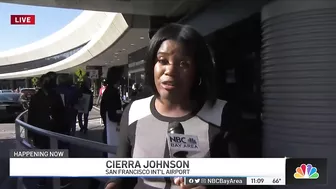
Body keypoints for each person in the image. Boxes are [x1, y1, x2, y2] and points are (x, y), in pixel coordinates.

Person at [104, 23, 244, 189]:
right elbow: (122, 174)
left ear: (198, 70)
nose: (170, 70)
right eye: (162, 60)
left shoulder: (223, 115)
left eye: (183, 63)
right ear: (152, 66)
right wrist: (112, 184)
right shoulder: (134, 111)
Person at [27, 74, 68, 188]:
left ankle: (60, 179)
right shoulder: (36, 97)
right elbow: (32, 115)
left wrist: (64, 128)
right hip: (41, 131)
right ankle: (43, 179)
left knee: (57, 154)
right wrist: (30, 133)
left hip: (55, 130)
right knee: (43, 154)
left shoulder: (56, 96)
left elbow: (62, 113)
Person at [100, 66, 124, 157]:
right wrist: (124, 116)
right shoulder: (113, 93)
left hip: (108, 128)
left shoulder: (108, 91)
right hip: (112, 130)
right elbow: (112, 115)